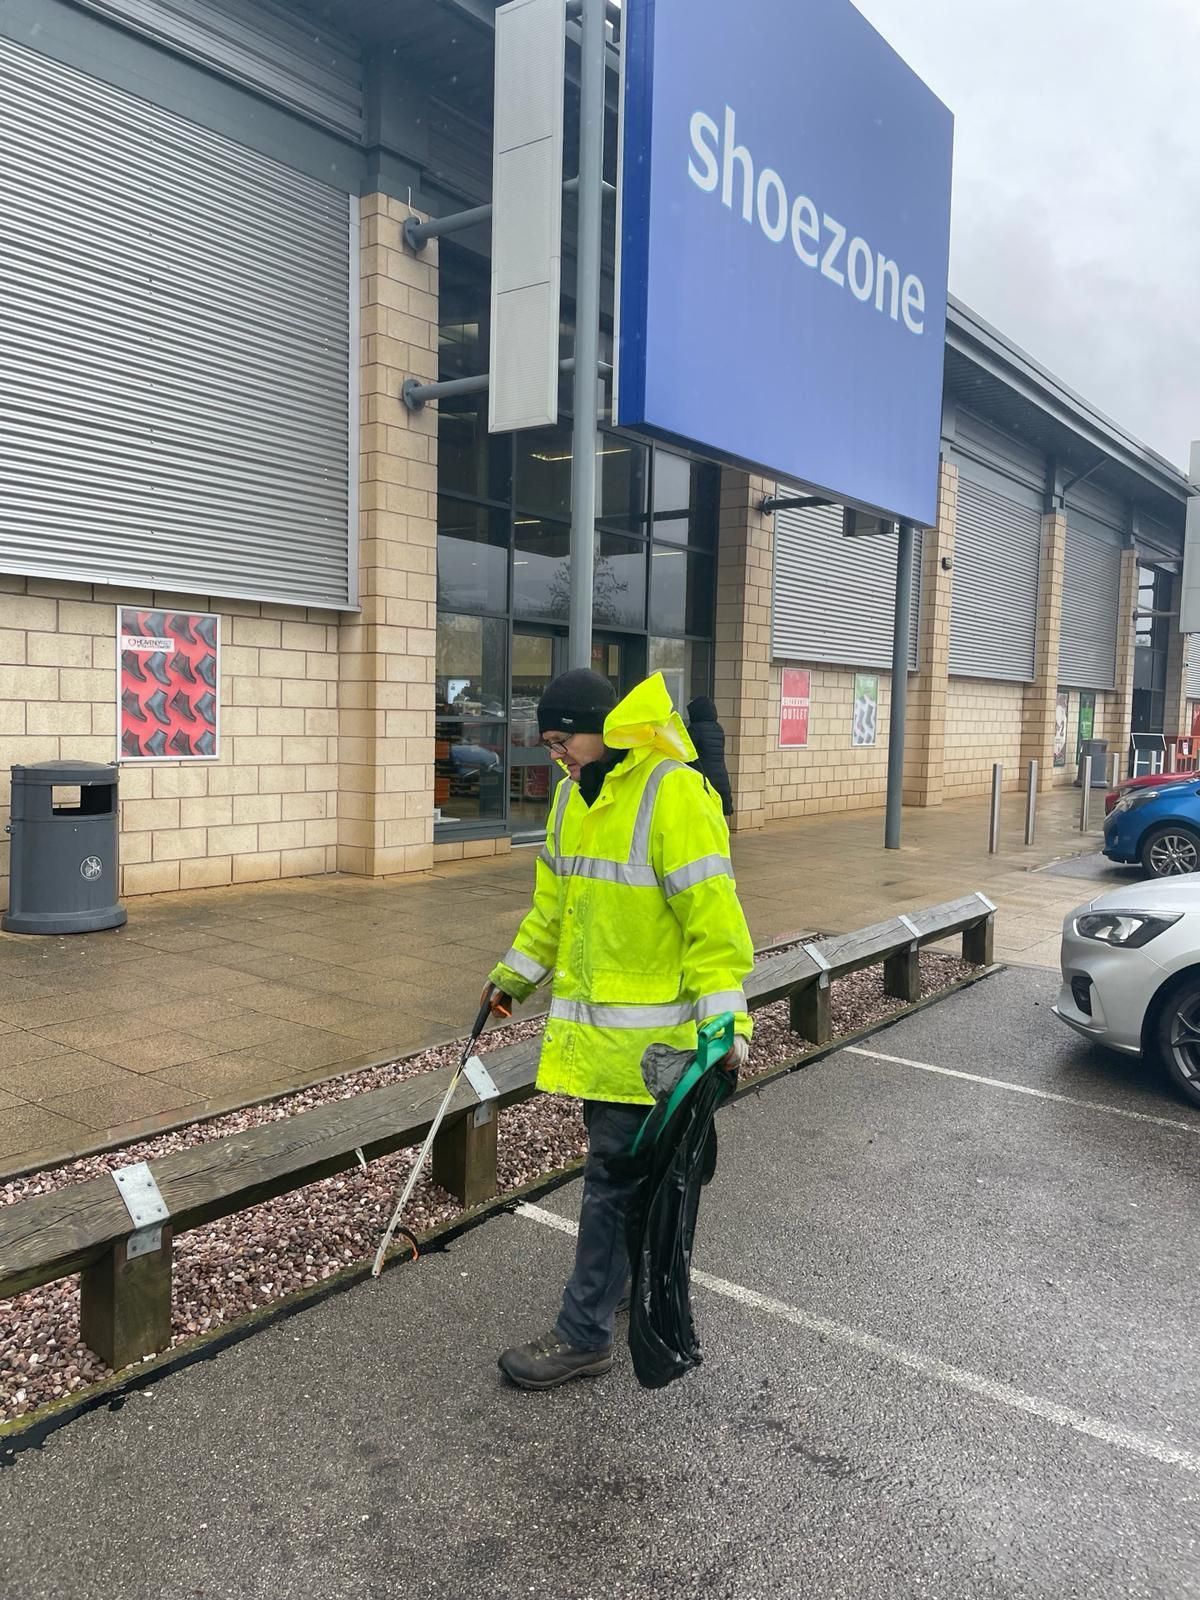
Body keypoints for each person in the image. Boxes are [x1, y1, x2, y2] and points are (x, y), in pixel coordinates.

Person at [484, 668, 754, 1390]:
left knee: (611, 1184)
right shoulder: (573, 800)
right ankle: (621, 1293)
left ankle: (583, 1335)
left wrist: (726, 1025)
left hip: (657, 1051)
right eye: (547, 744)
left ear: (600, 729)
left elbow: (714, 922)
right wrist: (510, 978)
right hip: (602, 1049)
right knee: (633, 1182)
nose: (556, 757)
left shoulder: (672, 793)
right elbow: (552, 911)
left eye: (561, 739)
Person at [686, 695, 734, 818]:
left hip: (704, 777)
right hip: (721, 777)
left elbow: (686, 753)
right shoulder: (718, 728)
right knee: (716, 814)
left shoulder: (695, 729)